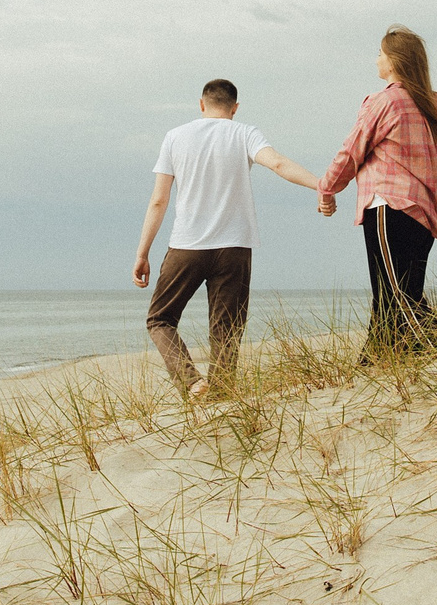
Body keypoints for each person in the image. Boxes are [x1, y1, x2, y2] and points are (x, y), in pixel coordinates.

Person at [317, 25, 437, 356]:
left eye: (380, 53)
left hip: (387, 207)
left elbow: (351, 152)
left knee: (399, 296)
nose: (376, 59)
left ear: (394, 60)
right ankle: (373, 362)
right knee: (394, 295)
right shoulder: (435, 105)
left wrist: (327, 189)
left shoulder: (383, 102)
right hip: (424, 217)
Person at [134, 78, 322, 398]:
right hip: (234, 246)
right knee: (226, 330)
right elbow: (277, 163)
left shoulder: (175, 137)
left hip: (188, 245)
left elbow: (158, 200)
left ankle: (192, 382)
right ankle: (221, 395)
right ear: (235, 108)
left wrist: (143, 252)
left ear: (201, 104)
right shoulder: (244, 132)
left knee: (160, 319)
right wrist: (321, 185)